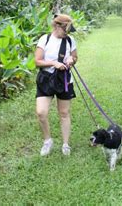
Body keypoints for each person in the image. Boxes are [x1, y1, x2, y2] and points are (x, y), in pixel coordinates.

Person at [35, 14, 78, 156]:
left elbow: (75, 57)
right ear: (57, 26)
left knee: (64, 113)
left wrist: (72, 59)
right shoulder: (45, 39)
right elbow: (37, 61)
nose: (67, 33)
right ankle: (47, 140)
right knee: (41, 112)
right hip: (46, 79)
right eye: (65, 29)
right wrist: (53, 63)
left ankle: (65, 144)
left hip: (63, 79)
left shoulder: (70, 40)